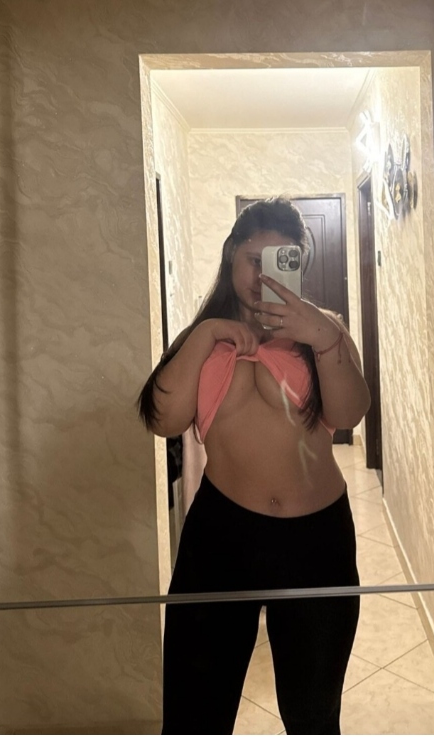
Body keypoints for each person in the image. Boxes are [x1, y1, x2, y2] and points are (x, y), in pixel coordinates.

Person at [137, 197, 371, 735]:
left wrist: (323, 336)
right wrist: (205, 335)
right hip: (223, 534)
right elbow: (163, 420)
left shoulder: (326, 332)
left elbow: (349, 414)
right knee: (195, 714)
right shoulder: (203, 339)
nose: (263, 276)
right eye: (253, 260)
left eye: (281, 261)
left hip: (316, 539)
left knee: (313, 715)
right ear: (230, 255)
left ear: (299, 265)